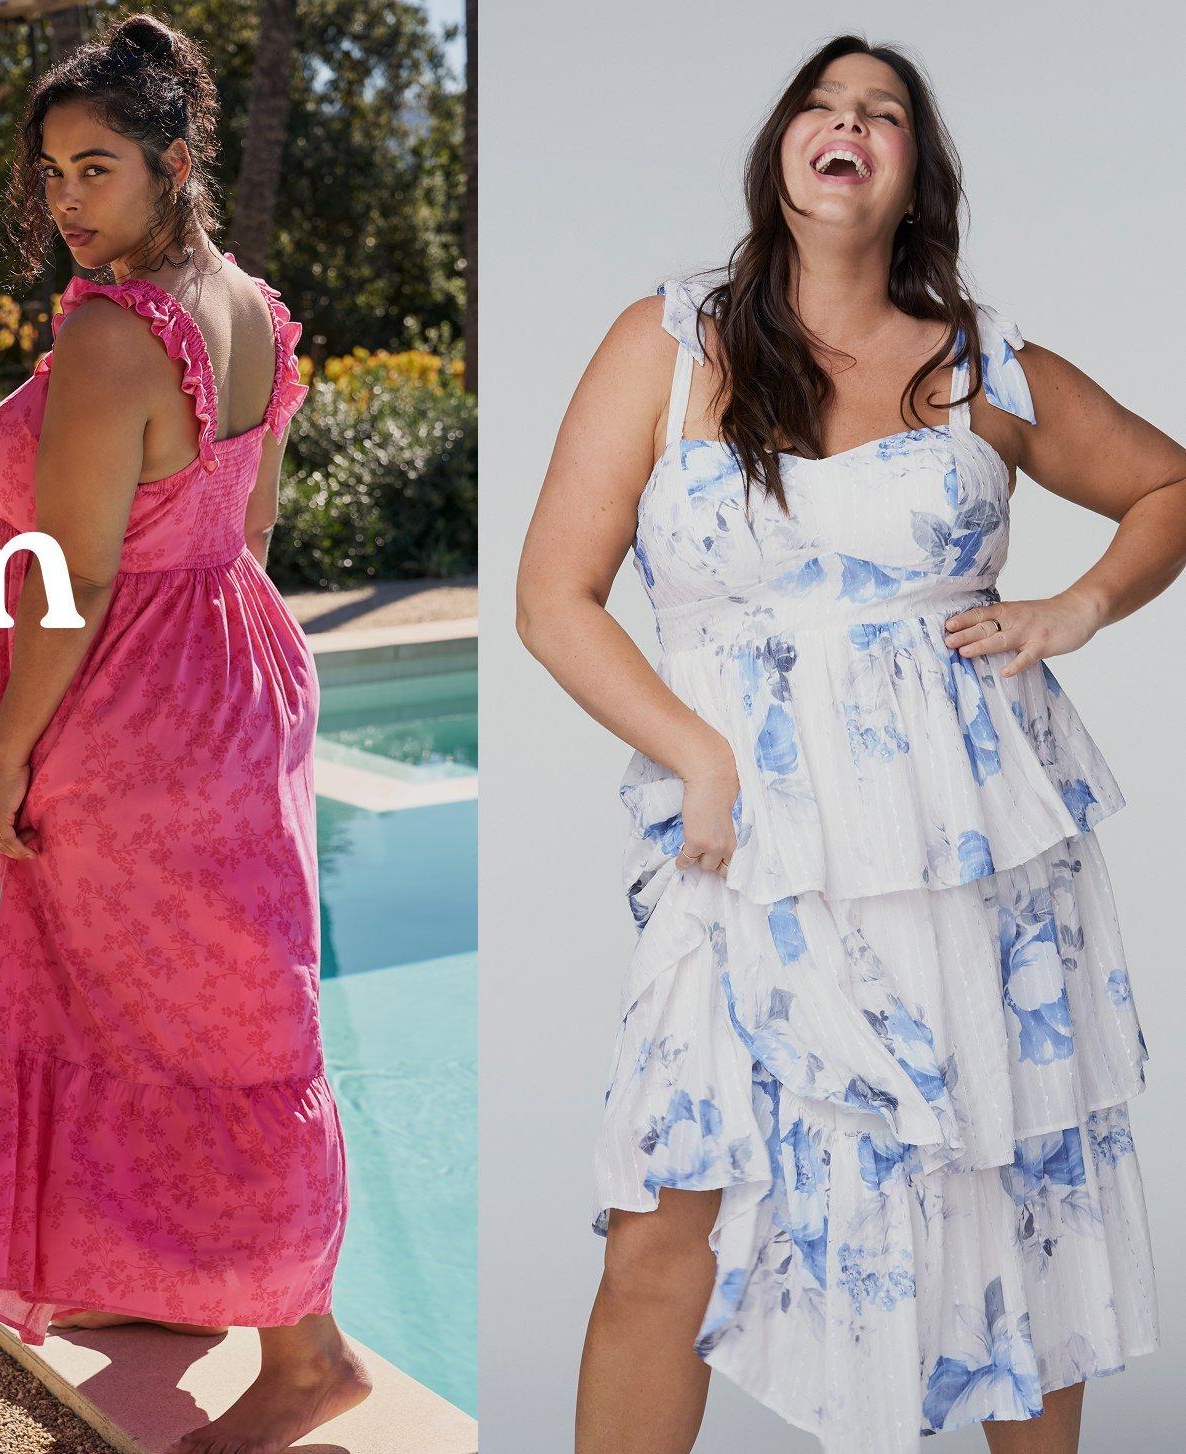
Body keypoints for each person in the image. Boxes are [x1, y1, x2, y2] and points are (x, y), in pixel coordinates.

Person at [517, 35, 1181, 1454]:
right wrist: (694, 755)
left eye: (879, 115)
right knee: (661, 1231)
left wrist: (1074, 607)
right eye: (819, 105)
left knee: (1013, 1215)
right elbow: (551, 598)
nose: (845, 125)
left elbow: (1167, 487)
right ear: (781, 152)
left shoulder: (983, 363)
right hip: (748, 847)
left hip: (972, 854)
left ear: (911, 176)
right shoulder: (667, 341)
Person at [0, 14, 372, 1454]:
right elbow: (245, 524)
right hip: (236, 673)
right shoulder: (245, 302)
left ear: (172, 163)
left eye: (97, 168)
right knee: (207, 1003)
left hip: (127, 703)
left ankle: (306, 1355)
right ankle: (181, 1278)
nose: (67, 199)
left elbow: (70, 579)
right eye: (53, 171)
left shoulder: (116, 336)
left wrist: (7, 758)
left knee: (184, 1013)